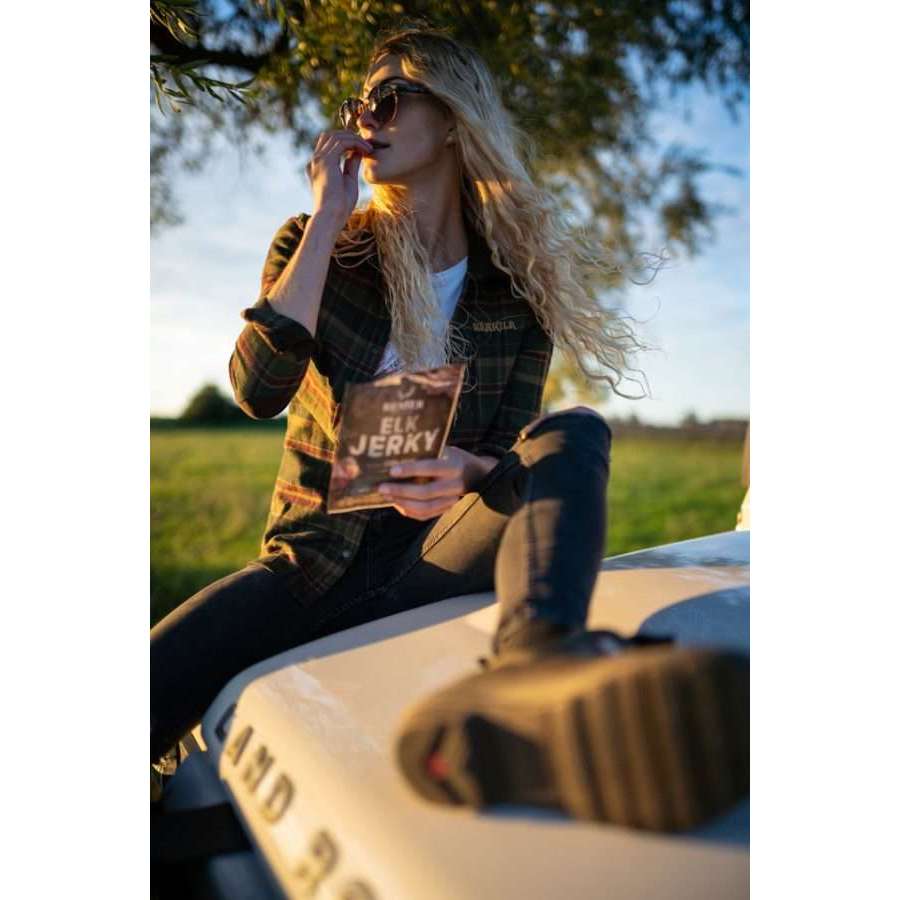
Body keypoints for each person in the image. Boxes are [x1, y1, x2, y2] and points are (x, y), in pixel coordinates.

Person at [151, 25, 748, 832]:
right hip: (309, 567)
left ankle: (536, 668)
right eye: (359, 104)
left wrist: (465, 472)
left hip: (435, 559)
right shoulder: (318, 247)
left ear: (454, 117)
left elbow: (509, 458)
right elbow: (257, 389)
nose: (367, 118)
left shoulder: (515, 293)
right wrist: (328, 216)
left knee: (574, 431)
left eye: (390, 98)